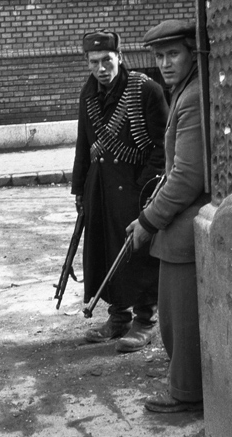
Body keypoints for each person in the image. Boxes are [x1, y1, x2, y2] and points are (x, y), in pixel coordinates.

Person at [127, 18, 209, 412]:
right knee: (175, 317)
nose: (165, 63)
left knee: (182, 320)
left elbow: (188, 175)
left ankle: (186, 395)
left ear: (192, 52)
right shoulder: (185, 89)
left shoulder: (192, 96)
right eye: (159, 56)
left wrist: (147, 221)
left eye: (173, 53)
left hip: (185, 224)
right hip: (178, 220)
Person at [71, 30, 169, 352]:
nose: (101, 68)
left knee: (137, 254)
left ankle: (144, 320)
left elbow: (162, 147)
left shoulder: (145, 90)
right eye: (94, 62)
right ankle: (118, 316)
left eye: (107, 60)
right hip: (100, 186)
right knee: (106, 250)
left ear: (120, 58)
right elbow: (83, 145)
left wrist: (145, 187)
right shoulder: (89, 95)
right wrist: (79, 190)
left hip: (135, 188)